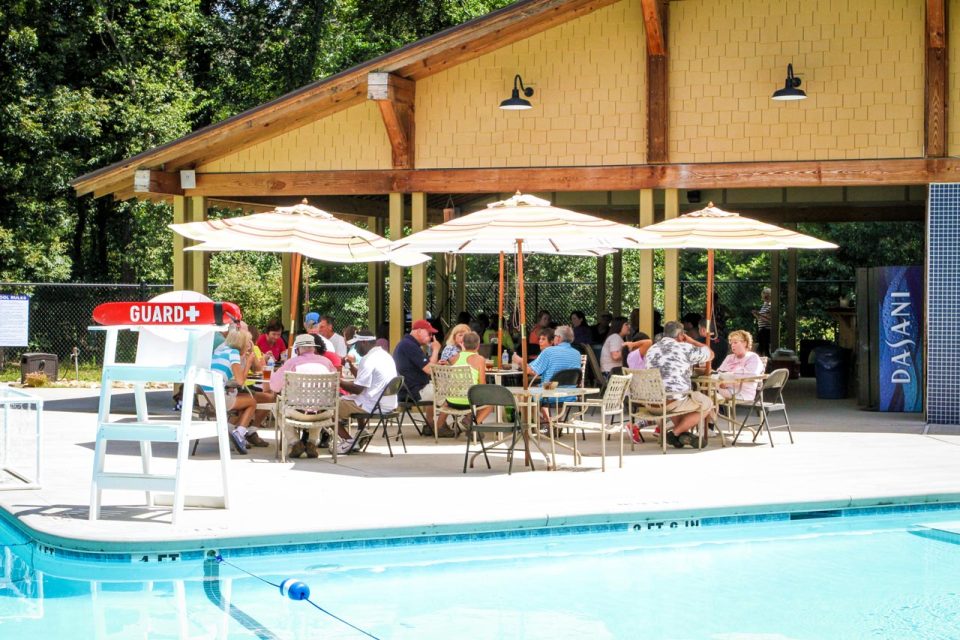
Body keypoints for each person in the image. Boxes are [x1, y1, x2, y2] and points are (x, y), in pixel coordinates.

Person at [644, 320, 714, 449]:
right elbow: (710, 354)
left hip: (650, 402)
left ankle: (681, 436)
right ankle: (675, 434)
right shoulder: (684, 347)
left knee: (679, 396)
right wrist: (691, 341)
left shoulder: (651, 349)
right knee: (707, 403)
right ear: (681, 335)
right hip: (670, 402)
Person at [269, 334, 337, 459]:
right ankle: (312, 442)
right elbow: (335, 387)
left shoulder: (291, 363)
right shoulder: (327, 363)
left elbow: (274, 387)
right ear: (314, 348)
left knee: (276, 408)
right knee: (318, 402)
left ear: (297, 349)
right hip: (324, 413)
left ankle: (295, 442)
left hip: (297, 412)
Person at [206, 329, 273, 454]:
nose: (249, 345)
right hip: (217, 398)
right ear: (241, 343)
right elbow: (241, 381)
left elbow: (230, 378)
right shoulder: (233, 353)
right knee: (252, 402)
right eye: (248, 342)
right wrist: (248, 362)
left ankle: (228, 431)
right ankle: (239, 433)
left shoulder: (221, 352)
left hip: (206, 396)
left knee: (245, 399)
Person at [337, 329, 398, 454]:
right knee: (356, 398)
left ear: (364, 342)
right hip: (388, 403)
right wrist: (350, 365)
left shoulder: (368, 359)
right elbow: (362, 380)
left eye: (356, 344)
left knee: (329, 409)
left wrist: (337, 380)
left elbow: (358, 389)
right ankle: (361, 431)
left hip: (374, 405)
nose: (355, 348)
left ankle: (349, 441)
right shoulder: (385, 355)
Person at [393, 318, 442, 433]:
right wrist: (435, 350)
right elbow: (430, 370)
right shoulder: (409, 345)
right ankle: (439, 426)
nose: (431, 336)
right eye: (429, 333)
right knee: (449, 392)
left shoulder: (408, 344)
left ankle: (430, 424)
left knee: (436, 387)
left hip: (410, 389)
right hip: (413, 392)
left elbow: (426, 366)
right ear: (419, 331)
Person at [437, 331, 492, 429]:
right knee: (490, 404)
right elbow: (482, 384)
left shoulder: (454, 357)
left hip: (452, 400)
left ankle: (437, 427)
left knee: (449, 400)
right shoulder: (480, 359)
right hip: (470, 401)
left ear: (463, 344)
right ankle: (472, 425)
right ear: (478, 345)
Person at [715, 330, 765, 403]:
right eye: (731, 343)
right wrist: (721, 382)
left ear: (745, 343)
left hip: (742, 393)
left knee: (709, 395)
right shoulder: (729, 357)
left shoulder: (752, 357)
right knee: (706, 392)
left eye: (735, 342)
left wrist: (726, 381)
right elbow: (719, 372)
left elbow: (750, 375)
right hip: (724, 389)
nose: (732, 345)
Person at [753, 287, 773, 357]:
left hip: (766, 329)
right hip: (762, 328)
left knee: (763, 347)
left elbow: (770, 320)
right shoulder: (764, 305)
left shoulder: (771, 306)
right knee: (763, 347)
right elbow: (761, 318)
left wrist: (759, 315)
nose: (765, 295)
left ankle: (763, 360)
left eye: (767, 294)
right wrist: (757, 315)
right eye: (764, 293)